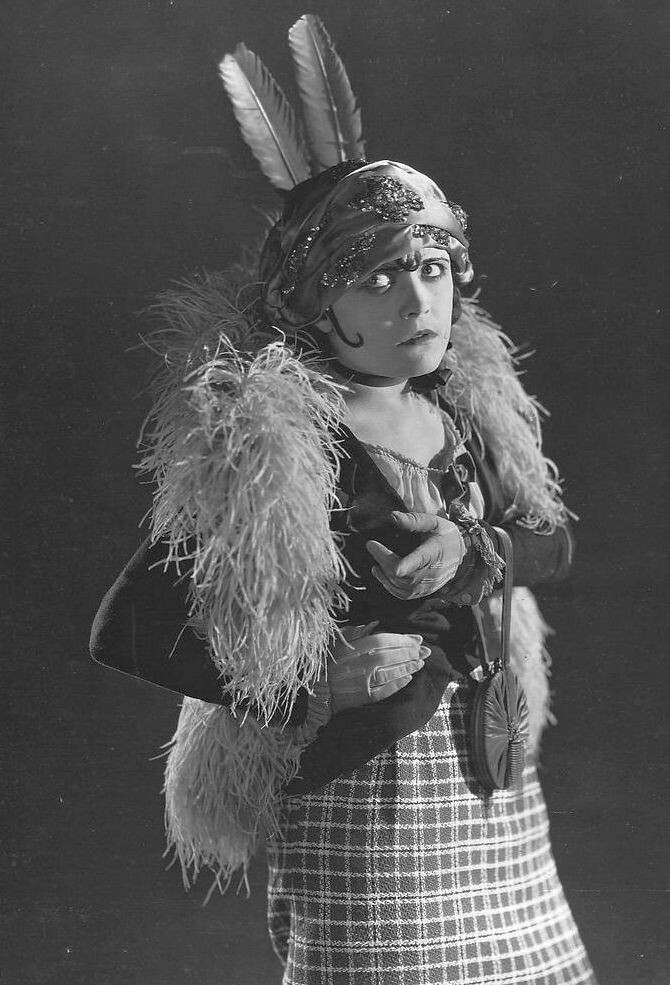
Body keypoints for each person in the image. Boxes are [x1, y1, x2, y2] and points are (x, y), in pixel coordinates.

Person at [90, 16, 597, 985]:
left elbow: (551, 541)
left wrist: (475, 552)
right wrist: (311, 685)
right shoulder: (277, 446)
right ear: (315, 299)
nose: (417, 301)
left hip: (485, 760)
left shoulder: (460, 411)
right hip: (364, 775)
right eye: (378, 276)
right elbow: (128, 625)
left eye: (433, 269)